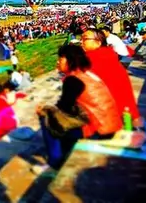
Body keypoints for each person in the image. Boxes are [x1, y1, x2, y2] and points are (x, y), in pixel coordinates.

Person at [35, 44, 121, 173]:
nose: (58, 62)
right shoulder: (86, 73)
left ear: (70, 60)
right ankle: (64, 149)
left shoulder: (73, 79)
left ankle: (54, 162)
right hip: (109, 124)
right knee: (60, 119)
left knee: (47, 119)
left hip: (98, 129)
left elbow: (64, 107)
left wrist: (45, 109)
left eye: (61, 58)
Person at [81, 28, 142, 127]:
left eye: (85, 39)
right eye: (81, 39)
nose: (81, 42)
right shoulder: (107, 55)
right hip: (122, 112)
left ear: (98, 43)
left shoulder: (95, 59)